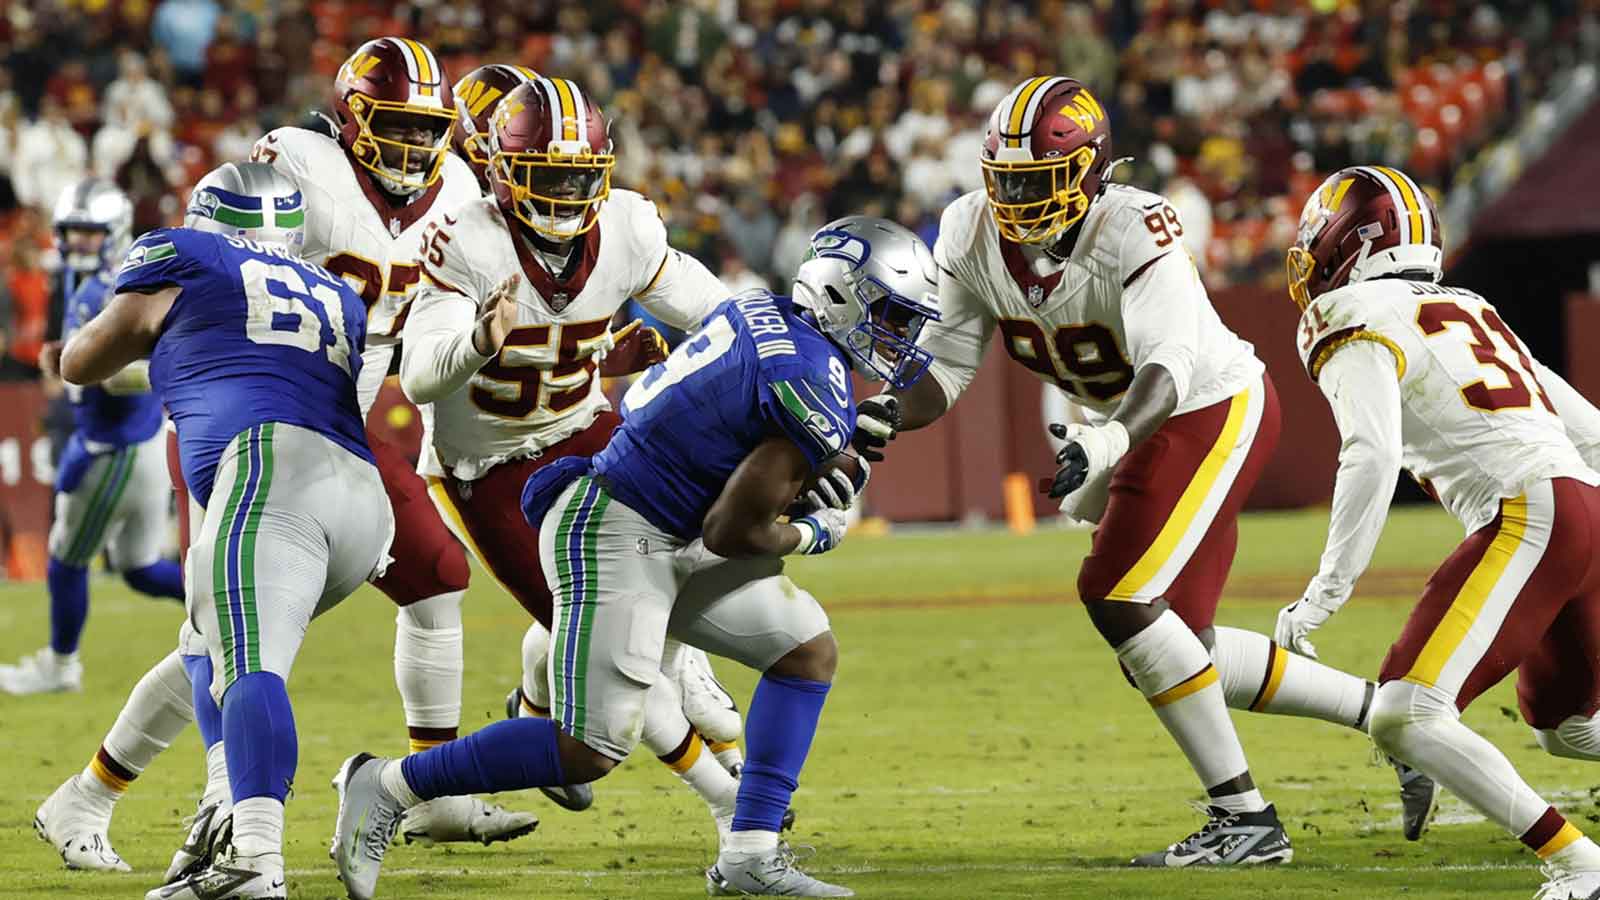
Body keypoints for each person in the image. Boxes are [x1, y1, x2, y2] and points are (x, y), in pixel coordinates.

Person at [859, 76, 1434, 865]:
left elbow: (1169, 363)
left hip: (1206, 406)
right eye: (1007, 182)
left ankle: (1247, 820)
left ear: (1090, 173)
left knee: (1116, 595)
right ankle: (1391, 721)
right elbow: (951, 367)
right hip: (1133, 423)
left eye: (1038, 182)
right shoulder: (967, 230)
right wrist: (887, 408)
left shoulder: (1137, 226)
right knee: (1173, 647)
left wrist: (1107, 442)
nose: (1018, 201)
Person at [330, 215, 939, 900]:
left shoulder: (767, 315)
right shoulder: (807, 376)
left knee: (805, 651)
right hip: (618, 531)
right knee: (587, 751)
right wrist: (814, 529)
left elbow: (750, 458)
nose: (898, 333)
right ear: (839, 295)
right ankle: (385, 785)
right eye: (889, 313)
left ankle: (750, 853)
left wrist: (830, 454)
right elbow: (734, 532)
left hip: (665, 525)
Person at [404, 74, 750, 826]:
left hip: (585, 430)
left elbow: (716, 311)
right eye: (546, 174)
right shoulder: (468, 239)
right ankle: (729, 799)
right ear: (501, 171)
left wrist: (773, 348)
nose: (563, 193)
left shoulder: (627, 227)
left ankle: (539, 696)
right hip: (488, 470)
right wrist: (476, 341)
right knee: (613, 641)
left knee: (667, 592)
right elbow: (419, 375)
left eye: (577, 175)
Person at [57, 161, 391, 900]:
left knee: (248, 668)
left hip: (269, 467)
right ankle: (107, 797)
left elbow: (85, 360)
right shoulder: (339, 293)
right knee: (210, 645)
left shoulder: (186, 251)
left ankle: (255, 860)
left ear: (210, 213)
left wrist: (140, 345)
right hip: (364, 503)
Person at [1279, 165, 1600, 900]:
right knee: (1568, 725)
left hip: (1530, 513)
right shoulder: (1469, 307)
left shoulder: (1347, 312)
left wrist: (1325, 592)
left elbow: (1371, 452)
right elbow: (1592, 434)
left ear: (1351, 241)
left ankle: (1579, 863)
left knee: (1405, 711)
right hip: (1580, 508)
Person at [0, 180, 183, 697]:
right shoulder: (105, 280)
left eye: (89, 233)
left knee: (65, 557)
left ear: (115, 231)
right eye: (72, 232)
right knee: (141, 568)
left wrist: (76, 365)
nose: (78, 243)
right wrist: (69, 353)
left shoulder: (112, 288)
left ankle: (60, 665)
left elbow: (140, 370)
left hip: (116, 443)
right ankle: (239, 618)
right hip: (137, 438)